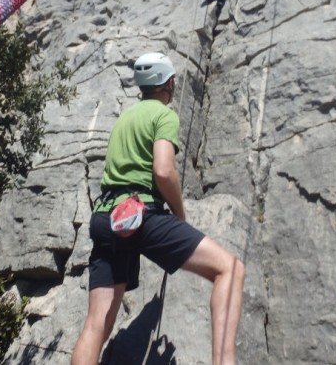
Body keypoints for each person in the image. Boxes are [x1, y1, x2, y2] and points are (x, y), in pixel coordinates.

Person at [71, 52, 245, 365]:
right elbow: (163, 171)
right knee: (229, 269)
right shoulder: (164, 115)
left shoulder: (125, 117)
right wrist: (179, 213)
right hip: (138, 214)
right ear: (167, 83)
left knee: (97, 324)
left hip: (105, 217)